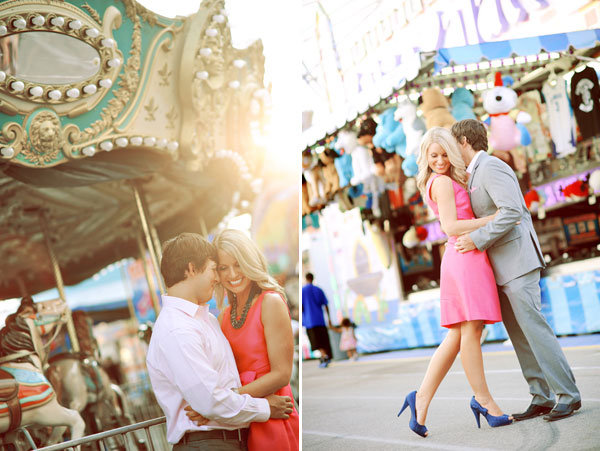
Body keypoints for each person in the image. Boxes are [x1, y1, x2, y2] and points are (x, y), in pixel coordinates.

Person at [451, 119, 581, 422]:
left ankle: (568, 396)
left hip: (518, 262)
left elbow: (512, 211)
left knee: (535, 330)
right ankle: (541, 396)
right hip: (501, 267)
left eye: (453, 145)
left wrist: (476, 239)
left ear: (465, 142)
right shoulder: (473, 175)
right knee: (520, 337)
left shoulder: (491, 167)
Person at [398, 127, 512, 438]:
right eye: (433, 155)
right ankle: (485, 401)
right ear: (425, 157)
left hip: (464, 256)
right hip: (464, 257)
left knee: (459, 335)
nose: (439, 160)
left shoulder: (446, 180)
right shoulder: (443, 182)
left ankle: (419, 399)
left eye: (444, 153)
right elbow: (449, 226)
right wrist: (492, 219)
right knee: (471, 330)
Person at [146, 233, 293, 450]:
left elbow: (213, 399)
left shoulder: (209, 320)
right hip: (213, 439)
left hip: (245, 430)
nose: (219, 277)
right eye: (216, 269)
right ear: (191, 269)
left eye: (237, 264)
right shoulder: (179, 328)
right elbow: (210, 401)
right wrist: (264, 408)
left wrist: (217, 402)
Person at [185, 229, 299, 450]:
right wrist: (217, 405)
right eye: (223, 268)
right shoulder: (224, 317)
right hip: (242, 419)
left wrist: (222, 401)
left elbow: (282, 374)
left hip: (273, 415)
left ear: (250, 261)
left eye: (238, 264)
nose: (232, 274)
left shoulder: (270, 302)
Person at [301, 272, 333, 368]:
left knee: (316, 342)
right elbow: (325, 305)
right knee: (323, 340)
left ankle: (324, 357)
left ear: (306, 279)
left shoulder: (303, 291)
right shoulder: (319, 289)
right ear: (313, 278)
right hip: (320, 320)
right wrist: (329, 319)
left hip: (309, 321)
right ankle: (325, 356)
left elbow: (301, 307)